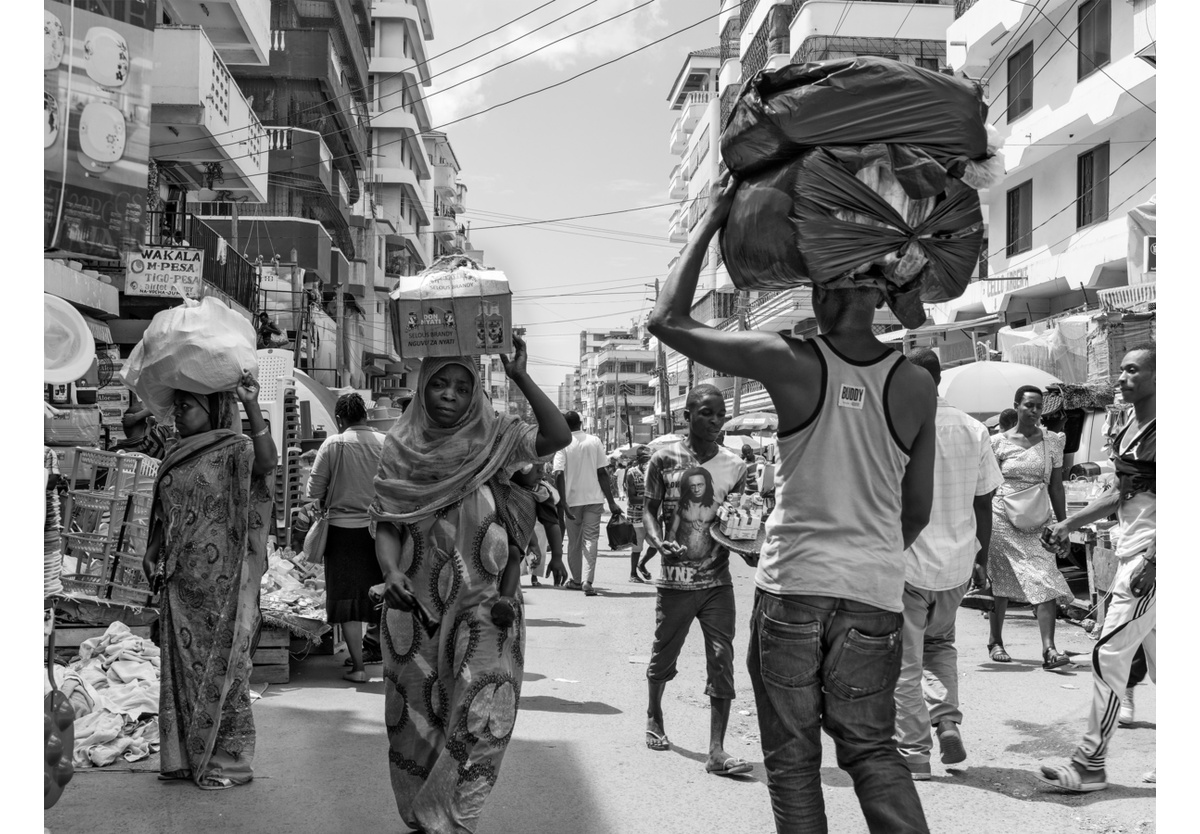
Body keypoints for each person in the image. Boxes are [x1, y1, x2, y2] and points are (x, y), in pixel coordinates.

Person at [648, 172, 937, 834]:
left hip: (795, 587)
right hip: (874, 591)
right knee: (871, 750)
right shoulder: (918, 384)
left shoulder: (793, 362)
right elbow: (914, 510)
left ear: (824, 283)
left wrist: (715, 214)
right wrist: (867, 560)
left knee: (794, 759)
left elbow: (666, 318)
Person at [370, 337, 571, 834]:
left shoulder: (496, 438)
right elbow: (388, 522)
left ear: (476, 392)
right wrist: (391, 572)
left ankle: (455, 817)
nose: (450, 395)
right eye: (439, 383)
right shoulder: (399, 447)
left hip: (485, 606)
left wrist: (522, 376)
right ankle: (424, 813)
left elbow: (557, 436)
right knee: (415, 721)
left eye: (462, 386)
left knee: (483, 709)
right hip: (413, 607)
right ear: (421, 388)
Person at [142, 372, 277, 790]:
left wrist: (252, 405)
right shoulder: (176, 452)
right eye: (177, 406)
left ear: (213, 408)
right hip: (180, 585)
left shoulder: (235, 449)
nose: (178, 414)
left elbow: (268, 463)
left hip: (222, 586)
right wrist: (152, 550)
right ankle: (183, 756)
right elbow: (166, 510)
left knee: (226, 670)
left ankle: (228, 759)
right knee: (180, 670)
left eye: (187, 406)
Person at [1039, 345, 1156, 792]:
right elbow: (1121, 492)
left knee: (1109, 652)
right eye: (1121, 369)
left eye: (1132, 370)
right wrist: (1069, 522)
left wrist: (1155, 560)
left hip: (1149, 559)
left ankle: (1090, 762)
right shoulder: (1128, 425)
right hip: (1132, 551)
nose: (1122, 377)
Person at [893, 350, 1003, 780]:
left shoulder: (899, 426)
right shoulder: (974, 428)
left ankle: (915, 754)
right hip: (957, 563)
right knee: (940, 647)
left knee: (905, 660)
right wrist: (982, 558)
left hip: (908, 562)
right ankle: (948, 722)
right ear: (939, 380)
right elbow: (985, 502)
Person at [641, 384, 751, 777]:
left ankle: (717, 750)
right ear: (686, 416)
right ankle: (654, 713)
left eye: (720, 414)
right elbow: (648, 511)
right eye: (706, 413)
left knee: (722, 660)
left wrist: (750, 546)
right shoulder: (662, 459)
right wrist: (656, 541)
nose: (716, 421)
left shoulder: (735, 467)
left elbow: (737, 523)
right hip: (674, 582)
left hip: (717, 583)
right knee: (663, 656)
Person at [984, 385, 1071, 669]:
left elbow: (1057, 487)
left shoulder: (1053, 442)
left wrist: (1064, 525)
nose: (1034, 411)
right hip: (1002, 518)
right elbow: (986, 487)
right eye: (1029, 405)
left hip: (1039, 518)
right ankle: (995, 641)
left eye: (1038, 406)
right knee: (1001, 579)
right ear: (1017, 406)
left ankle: (1049, 650)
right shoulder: (997, 443)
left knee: (1045, 576)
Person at [306, 393, 387, 683]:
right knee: (381, 596)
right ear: (365, 415)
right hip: (381, 531)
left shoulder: (333, 443)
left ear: (340, 420)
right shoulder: (385, 442)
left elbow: (314, 490)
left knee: (349, 602)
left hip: (341, 533)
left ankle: (359, 668)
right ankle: (389, 661)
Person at [552, 411, 623, 596]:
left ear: (565, 425)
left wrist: (563, 502)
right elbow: (602, 473)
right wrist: (611, 502)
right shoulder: (594, 441)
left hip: (572, 502)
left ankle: (576, 581)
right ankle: (587, 581)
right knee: (591, 539)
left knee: (574, 542)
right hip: (594, 499)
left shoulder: (563, 444)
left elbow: (558, 473)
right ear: (581, 423)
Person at [625, 445, 653, 582]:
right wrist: (650, 499)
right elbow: (632, 498)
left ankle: (642, 564)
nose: (647, 460)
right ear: (639, 459)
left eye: (649, 457)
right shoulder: (631, 473)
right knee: (638, 546)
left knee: (656, 544)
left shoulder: (654, 472)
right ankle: (633, 574)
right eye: (645, 457)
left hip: (651, 516)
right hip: (636, 516)